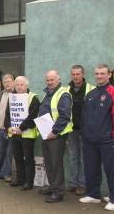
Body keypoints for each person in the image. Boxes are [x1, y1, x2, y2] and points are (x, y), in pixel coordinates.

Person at [79, 64, 114, 211]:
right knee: (91, 169)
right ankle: (94, 194)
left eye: (102, 73)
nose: (99, 76)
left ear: (109, 75)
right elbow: (84, 117)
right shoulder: (91, 94)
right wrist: (84, 134)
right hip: (90, 140)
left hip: (108, 140)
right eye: (97, 73)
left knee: (113, 170)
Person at [38, 70, 72, 203]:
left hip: (56, 135)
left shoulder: (63, 94)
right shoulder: (47, 93)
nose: (49, 82)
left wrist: (55, 132)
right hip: (46, 133)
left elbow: (64, 116)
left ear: (58, 79)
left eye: (52, 79)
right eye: (47, 80)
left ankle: (58, 192)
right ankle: (53, 186)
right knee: (49, 162)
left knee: (56, 163)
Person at [66, 65, 95, 196]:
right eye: (73, 74)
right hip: (71, 130)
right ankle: (72, 183)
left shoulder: (91, 89)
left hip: (85, 130)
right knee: (72, 157)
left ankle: (82, 185)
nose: (75, 76)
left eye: (78, 74)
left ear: (83, 74)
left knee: (84, 158)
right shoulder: (66, 89)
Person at [8, 76, 40, 190]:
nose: (19, 87)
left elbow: (33, 116)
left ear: (27, 86)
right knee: (17, 157)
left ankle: (28, 182)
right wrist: (9, 128)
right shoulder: (12, 98)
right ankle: (19, 179)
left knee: (28, 159)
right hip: (15, 133)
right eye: (17, 85)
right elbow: (9, 115)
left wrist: (22, 127)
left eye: (21, 85)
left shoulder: (33, 98)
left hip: (27, 134)